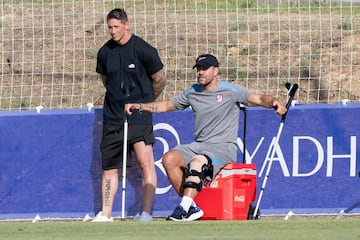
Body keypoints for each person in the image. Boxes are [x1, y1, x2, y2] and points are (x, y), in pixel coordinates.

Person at [125, 54, 287, 221]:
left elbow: (258, 98)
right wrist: (141, 106)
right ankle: (191, 207)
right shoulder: (193, 92)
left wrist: (274, 101)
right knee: (169, 158)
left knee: (197, 161)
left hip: (223, 148)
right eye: (198, 69)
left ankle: (183, 208)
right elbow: (166, 105)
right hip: (200, 145)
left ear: (215, 71)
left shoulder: (229, 90)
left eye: (204, 69)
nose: (200, 73)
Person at [92, 8, 167, 222]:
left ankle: (146, 213)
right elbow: (106, 81)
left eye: (116, 27)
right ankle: (106, 213)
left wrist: (144, 103)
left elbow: (160, 78)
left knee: (146, 163)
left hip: (139, 117)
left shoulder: (144, 49)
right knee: (109, 167)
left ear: (126, 25)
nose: (113, 31)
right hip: (113, 118)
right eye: (110, 27)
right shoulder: (105, 52)